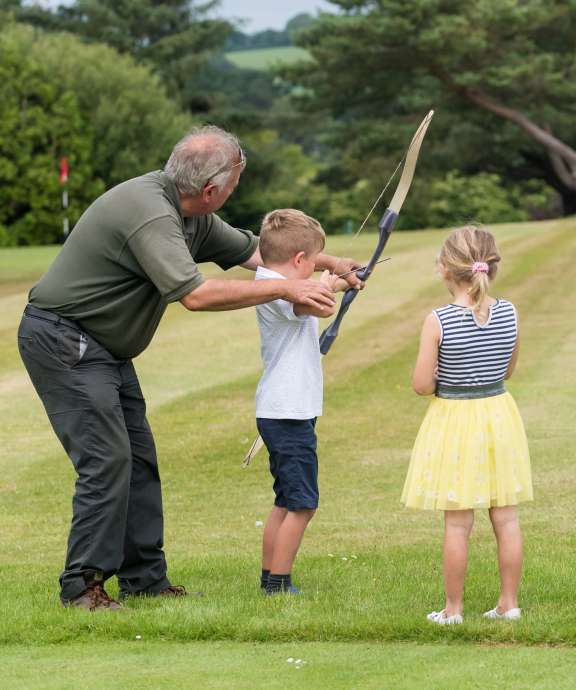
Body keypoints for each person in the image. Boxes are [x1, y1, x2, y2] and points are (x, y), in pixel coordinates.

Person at [17, 126, 361, 611]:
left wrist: (336, 261)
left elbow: (259, 252)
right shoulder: (150, 212)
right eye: (236, 182)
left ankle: (144, 581)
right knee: (107, 459)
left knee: (139, 459)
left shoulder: (192, 214)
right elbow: (195, 295)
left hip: (104, 348)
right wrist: (288, 289)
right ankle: (81, 588)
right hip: (64, 339)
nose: (235, 190)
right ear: (210, 190)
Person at [401, 225, 532, 625]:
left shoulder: (438, 320)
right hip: (499, 415)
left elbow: (422, 384)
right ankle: (509, 604)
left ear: (445, 269)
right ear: (491, 267)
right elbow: (507, 369)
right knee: (506, 519)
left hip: (456, 421)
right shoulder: (508, 311)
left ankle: (453, 609)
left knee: (458, 522)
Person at [252, 209, 346, 595]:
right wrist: (330, 285)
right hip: (287, 413)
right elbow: (319, 305)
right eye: (311, 263)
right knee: (303, 504)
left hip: (286, 410)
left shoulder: (271, 280)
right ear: (298, 261)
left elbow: (317, 298)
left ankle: (269, 578)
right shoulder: (276, 289)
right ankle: (278, 584)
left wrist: (337, 280)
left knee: (285, 500)